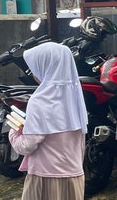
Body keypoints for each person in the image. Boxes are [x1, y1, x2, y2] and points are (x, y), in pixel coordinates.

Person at [8, 42, 88, 200]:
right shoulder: (75, 97)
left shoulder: (39, 101)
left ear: (46, 67)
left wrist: (14, 133)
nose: (33, 73)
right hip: (74, 175)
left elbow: (27, 146)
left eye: (35, 67)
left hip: (45, 177)